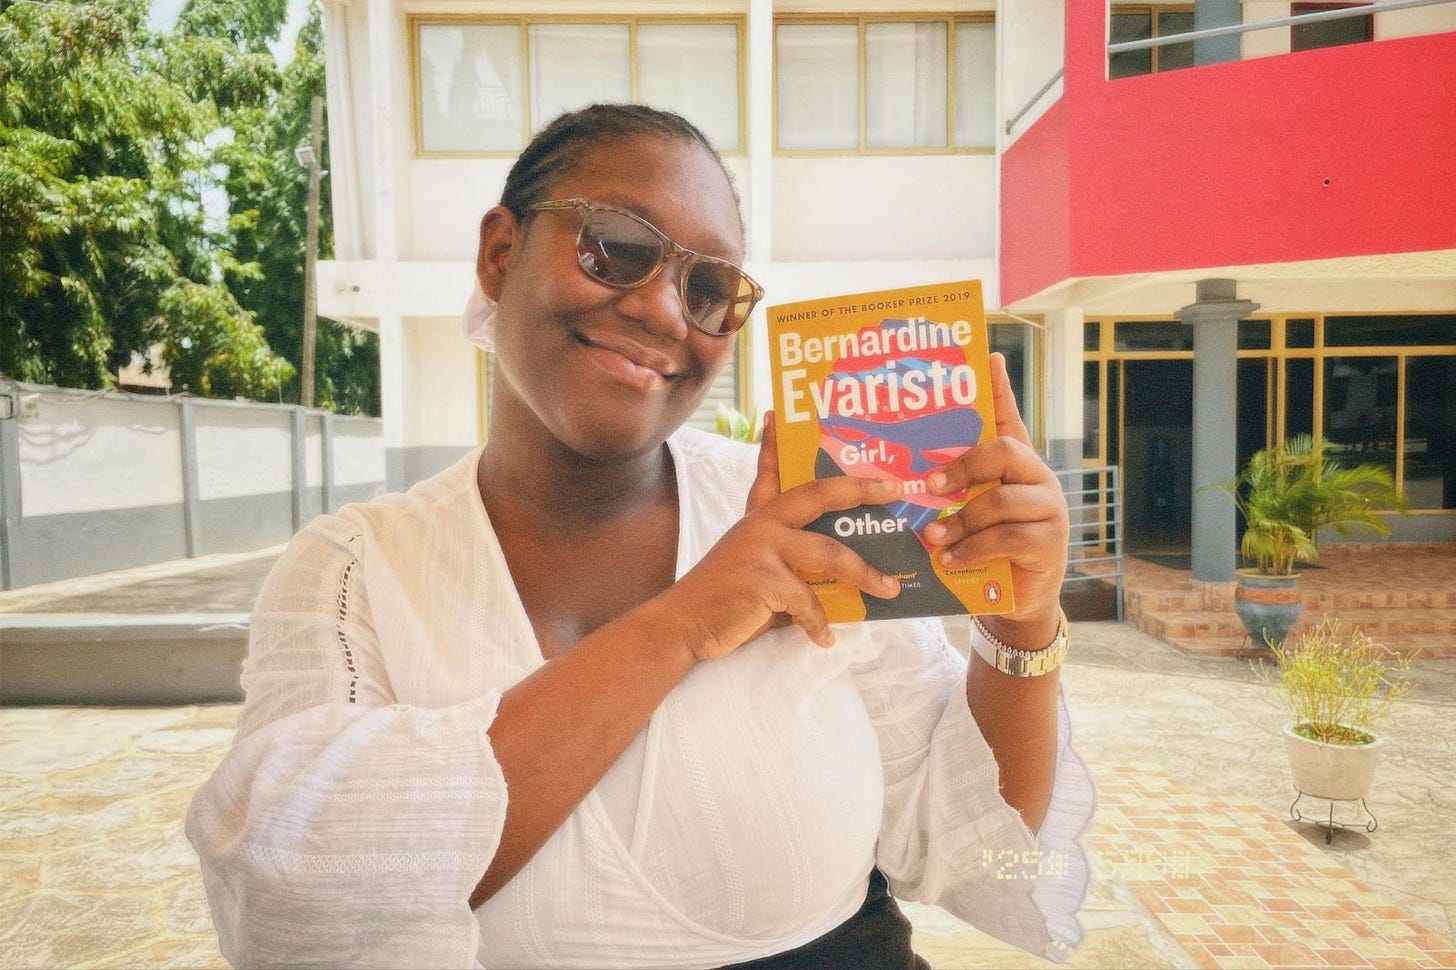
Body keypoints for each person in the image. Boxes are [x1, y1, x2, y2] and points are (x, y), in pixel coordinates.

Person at [186, 103, 1094, 969]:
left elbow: (971, 837)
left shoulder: (801, 517)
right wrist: (685, 621)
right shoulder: (353, 570)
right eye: (616, 248)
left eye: (710, 289)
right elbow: (288, 891)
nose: (665, 312)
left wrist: (1022, 624)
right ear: (500, 254)